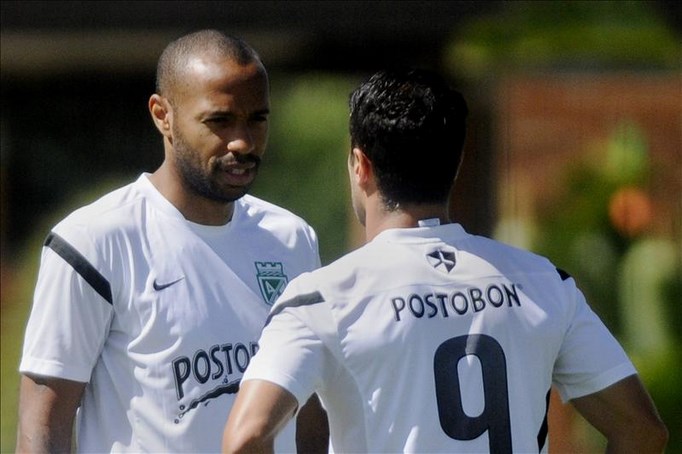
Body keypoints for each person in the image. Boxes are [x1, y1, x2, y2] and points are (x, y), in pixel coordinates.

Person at [222, 68, 668, 453]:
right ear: (455, 165)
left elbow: (247, 437)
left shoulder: (321, 298)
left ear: (361, 165)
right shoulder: (546, 283)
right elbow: (643, 432)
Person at [16, 29, 328, 453]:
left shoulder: (292, 240)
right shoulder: (93, 243)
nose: (243, 141)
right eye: (219, 120)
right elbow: (41, 430)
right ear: (163, 114)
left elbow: (311, 413)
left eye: (257, 118)